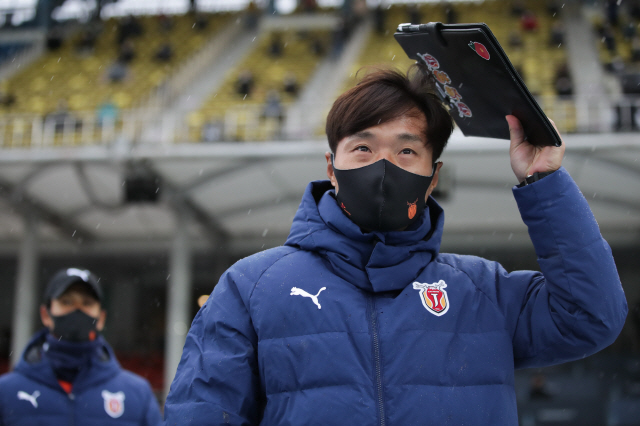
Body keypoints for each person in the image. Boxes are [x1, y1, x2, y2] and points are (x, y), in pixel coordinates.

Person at [164, 65, 627, 425]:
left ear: (433, 177)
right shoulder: (251, 287)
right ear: (331, 167)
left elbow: (591, 316)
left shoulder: (483, 291)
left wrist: (543, 181)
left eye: (406, 151)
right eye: (363, 149)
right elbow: (202, 413)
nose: (383, 166)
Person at [0, 268, 163, 426]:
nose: (77, 310)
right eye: (67, 302)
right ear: (45, 314)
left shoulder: (137, 394)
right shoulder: (6, 392)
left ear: (101, 318)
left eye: (87, 303)